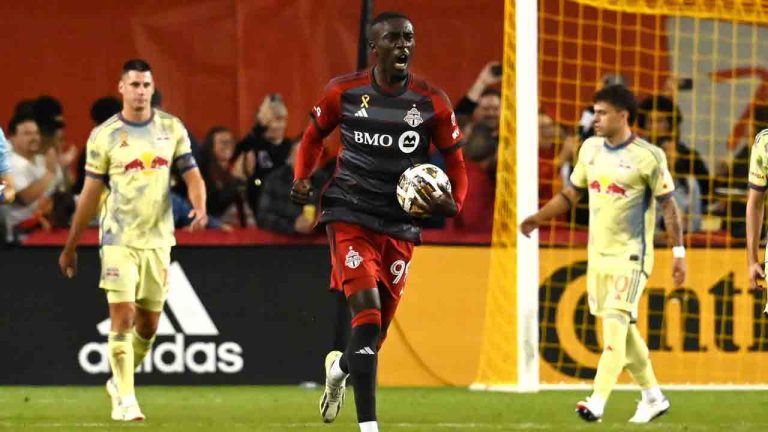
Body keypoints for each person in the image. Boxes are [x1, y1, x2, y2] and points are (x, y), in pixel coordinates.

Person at [290, 11, 467, 432]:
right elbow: (313, 136)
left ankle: (340, 372)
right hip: (349, 213)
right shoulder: (343, 92)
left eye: (408, 37)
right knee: (365, 319)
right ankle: (369, 427)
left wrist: (453, 203)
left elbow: (457, 164)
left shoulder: (431, 102)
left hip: (400, 224)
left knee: (374, 337)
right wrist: (302, 178)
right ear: (375, 47)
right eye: (393, 39)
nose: (403, 45)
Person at [520, 85, 685, 423]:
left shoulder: (648, 156)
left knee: (613, 329)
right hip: (598, 256)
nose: (594, 119)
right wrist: (539, 217)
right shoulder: (590, 150)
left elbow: (670, 207)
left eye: (602, 113)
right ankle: (653, 396)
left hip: (632, 257)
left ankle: (596, 400)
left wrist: (679, 252)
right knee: (625, 329)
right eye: (594, 112)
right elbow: (571, 194)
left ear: (622, 116)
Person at [57, 59, 207, 422]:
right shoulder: (104, 135)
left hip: (158, 240)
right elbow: (90, 194)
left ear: (152, 89)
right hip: (118, 238)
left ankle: (118, 381)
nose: (140, 91)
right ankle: (126, 399)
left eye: (146, 85)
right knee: (121, 316)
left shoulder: (171, 129)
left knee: (149, 326)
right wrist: (71, 244)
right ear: (121, 88)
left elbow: (193, 176)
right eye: (134, 85)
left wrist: (200, 209)